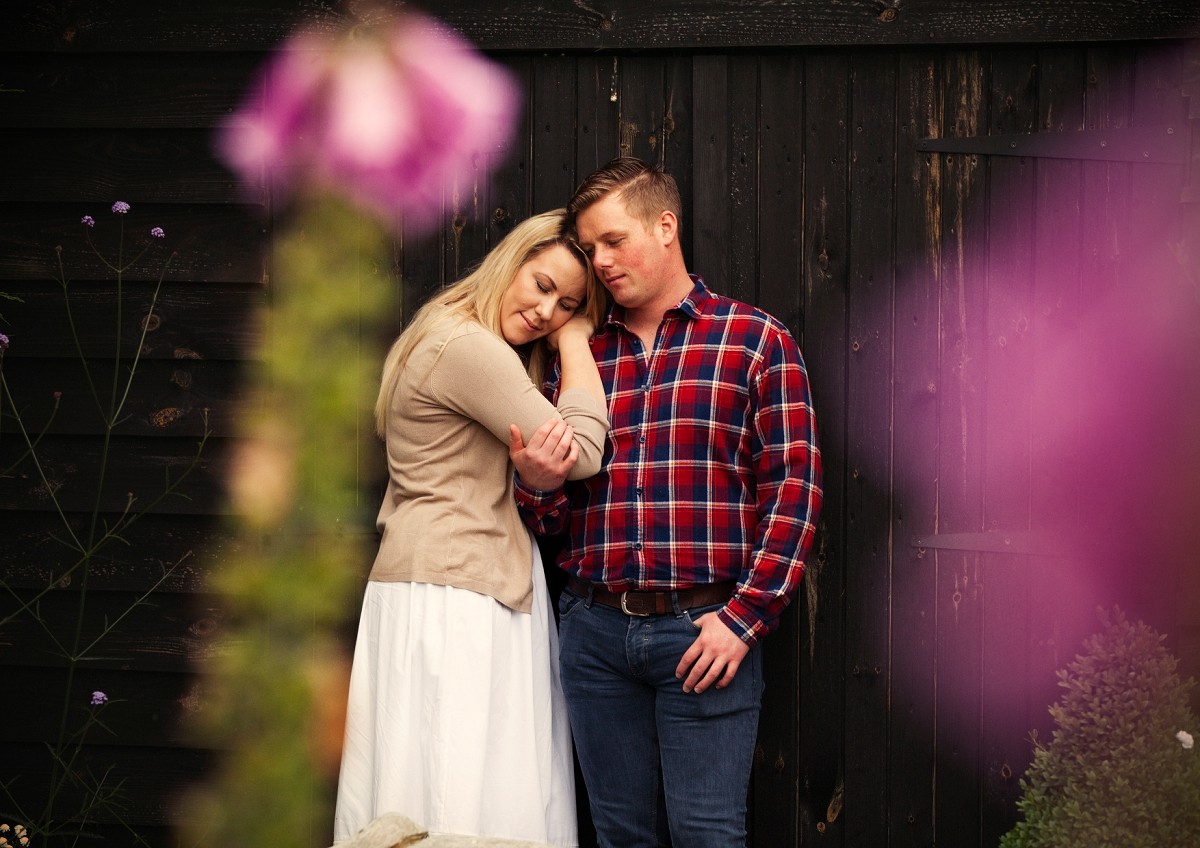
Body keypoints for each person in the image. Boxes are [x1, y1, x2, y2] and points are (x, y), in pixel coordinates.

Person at [512, 159, 822, 847]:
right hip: (592, 632)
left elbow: (794, 493)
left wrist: (744, 619)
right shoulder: (579, 357)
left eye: (613, 240)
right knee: (619, 835)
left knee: (707, 835)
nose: (600, 262)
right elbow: (550, 522)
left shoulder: (755, 342)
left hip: (705, 630)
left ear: (665, 225)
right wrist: (538, 485)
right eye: (590, 249)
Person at [333, 209, 609, 848]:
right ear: (508, 264)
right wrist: (576, 341)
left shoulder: (445, 334)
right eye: (541, 285)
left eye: (568, 305)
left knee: (430, 782)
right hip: (456, 593)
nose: (547, 312)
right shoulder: (468, 347)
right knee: (456, 789)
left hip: (447, 580)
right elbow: (584, 453)